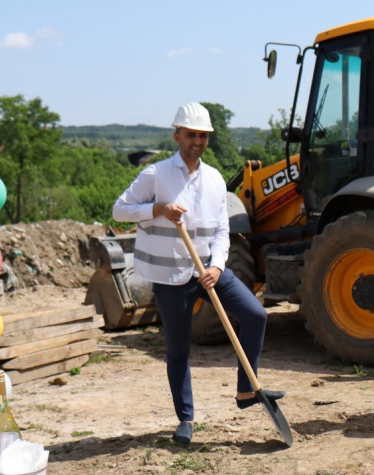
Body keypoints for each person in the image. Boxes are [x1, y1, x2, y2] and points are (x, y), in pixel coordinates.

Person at [113, 102, 277, 445]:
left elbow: (221, 229)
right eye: (191, 135)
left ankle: (246, 390)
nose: (197, 141)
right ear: (177, 136)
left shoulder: (214, 179)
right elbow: (120, 211)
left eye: (203, 136)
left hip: (207, 271)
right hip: (170, 277)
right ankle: (185, 418)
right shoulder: (156, 175)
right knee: (178, 350)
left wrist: (217, 265)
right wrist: (157, 209)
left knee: (256, 315)